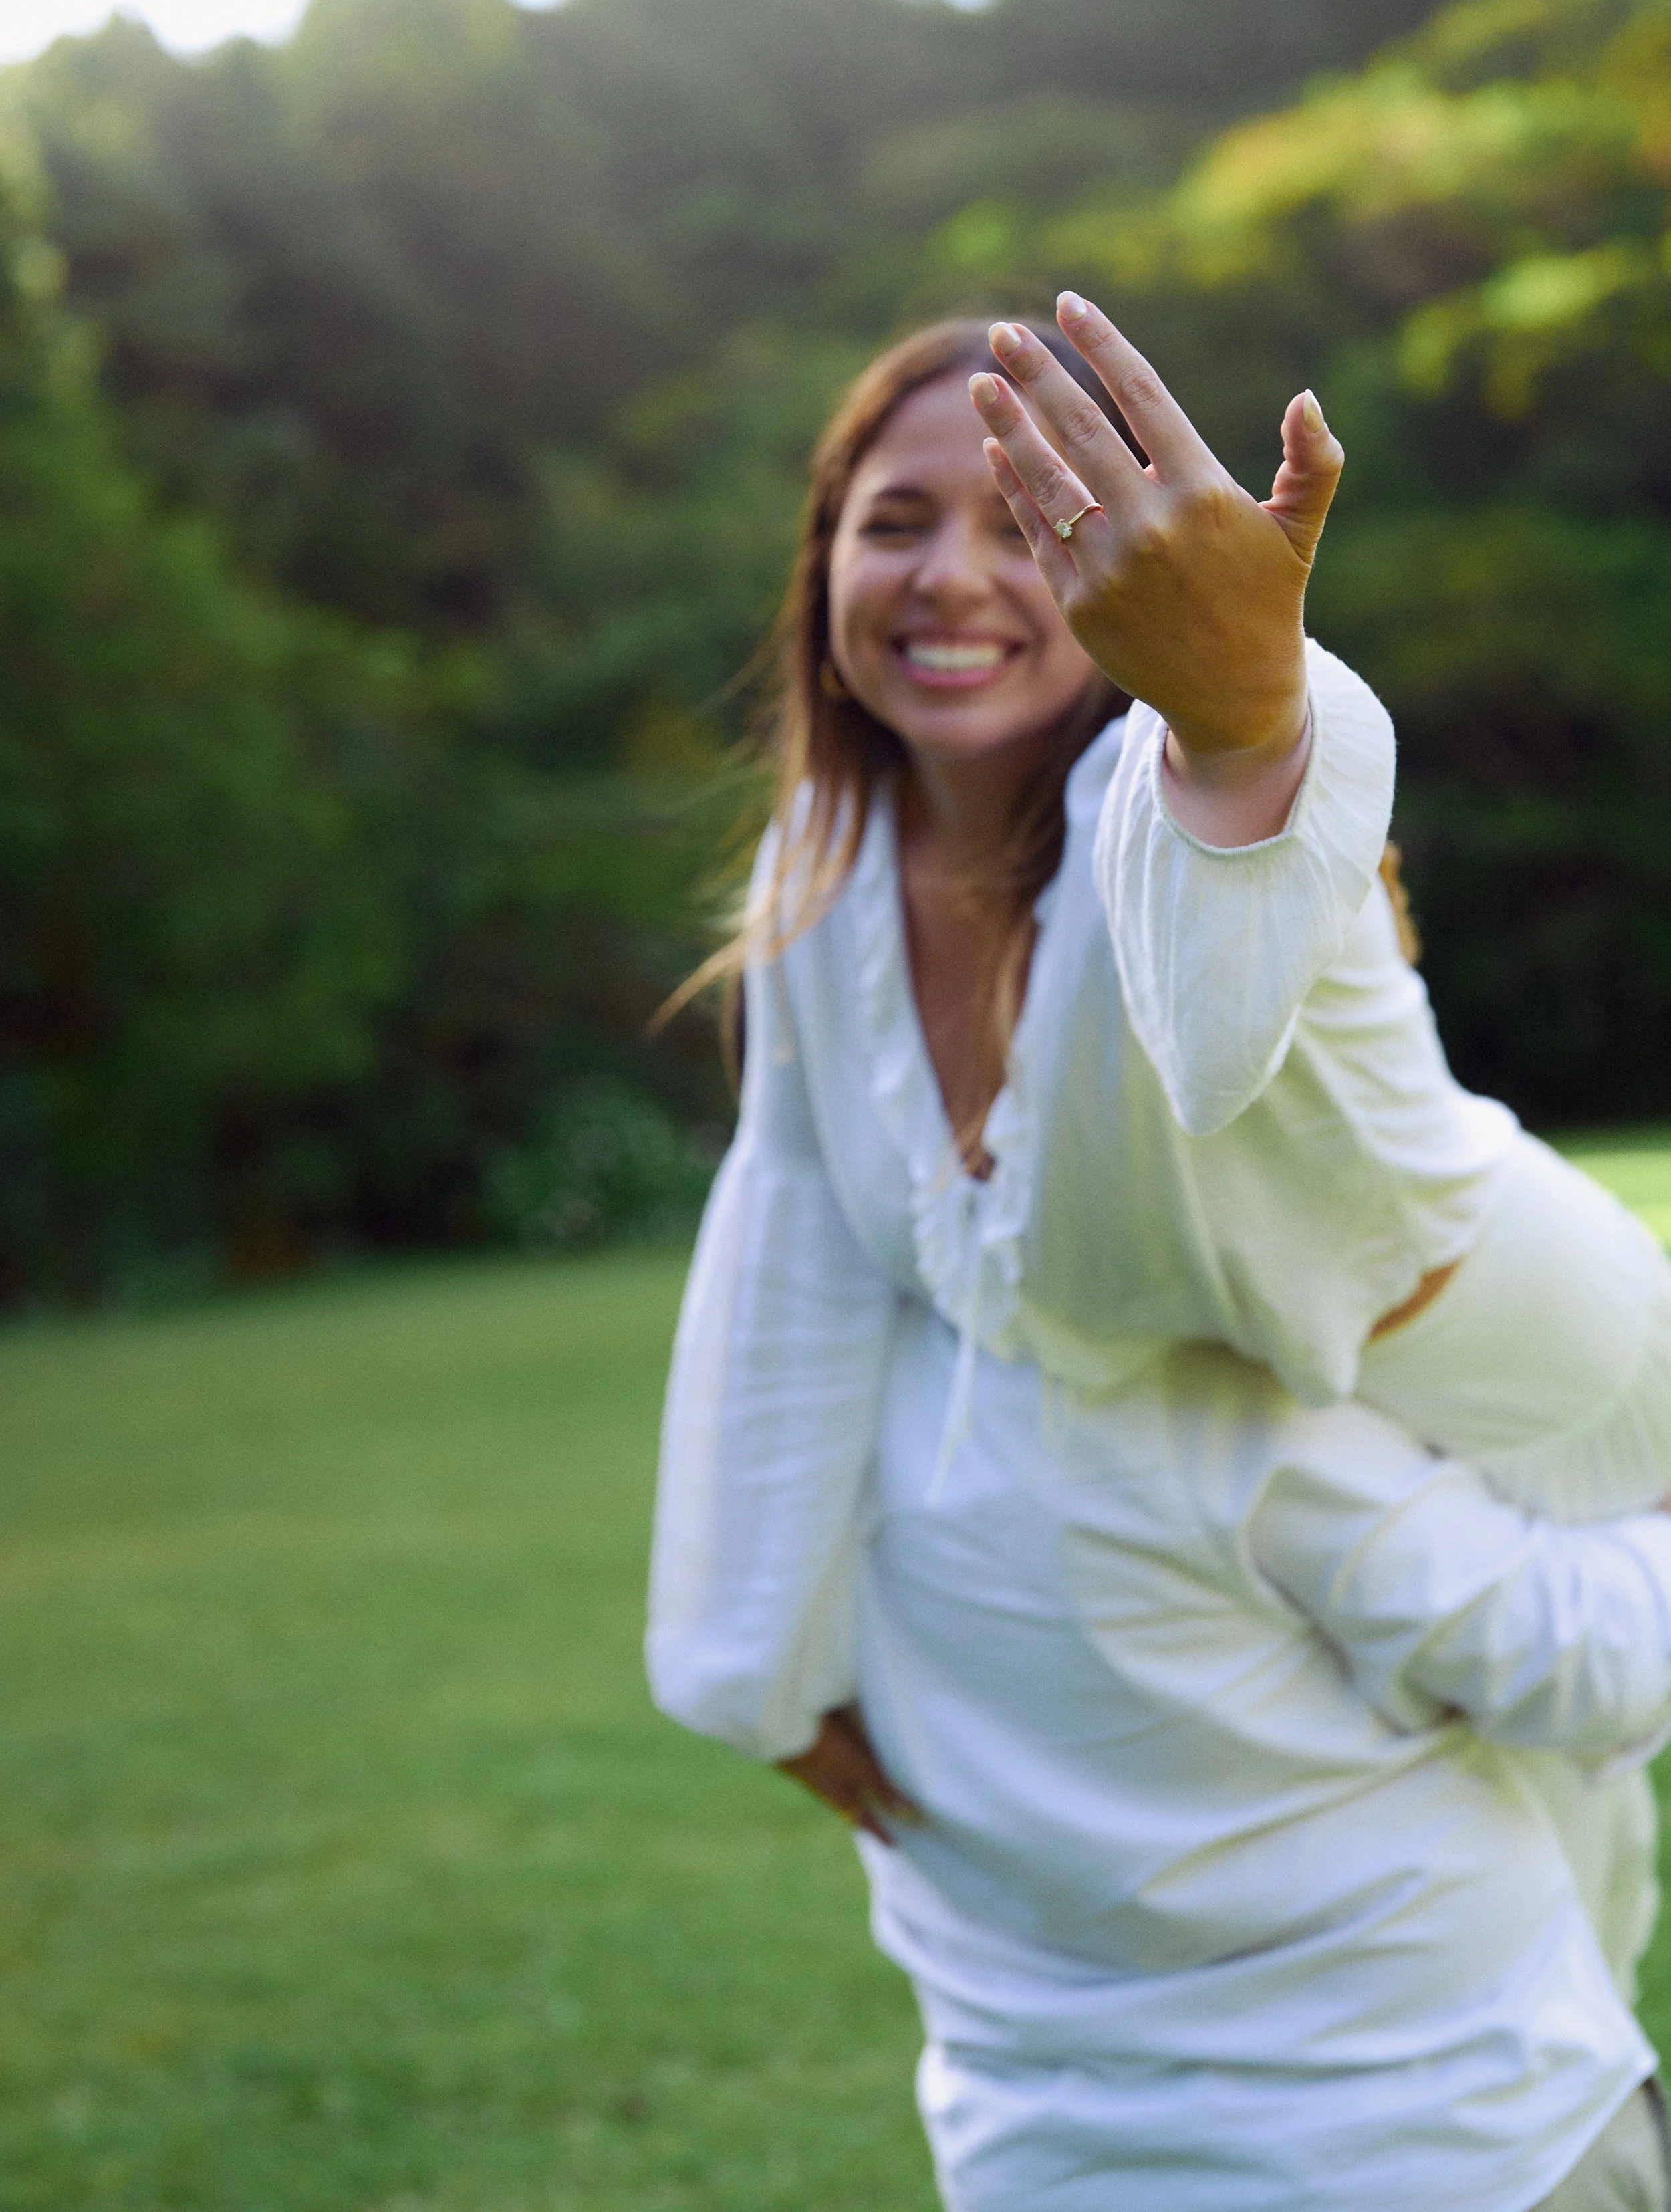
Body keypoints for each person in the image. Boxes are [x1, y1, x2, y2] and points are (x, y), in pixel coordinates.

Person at [647, 295, 1671, 2211]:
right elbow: (788, 1220)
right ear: (817, 570)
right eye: (892, 519)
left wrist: (1243, 697)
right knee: (1524, 1819)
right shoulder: (828, 877)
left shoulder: (1158, 789)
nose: (953, 572)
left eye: (1017, 518)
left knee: (1574, 1765)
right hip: (1282, 1413)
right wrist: (743, 1653)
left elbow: (1212, 1020)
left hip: (1555, 1365)